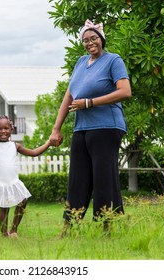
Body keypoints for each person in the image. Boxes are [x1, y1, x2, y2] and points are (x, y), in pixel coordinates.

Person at [49, 19, 132, 236]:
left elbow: (125, 91)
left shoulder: (113, 60)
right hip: (81, 128)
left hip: (107, 126)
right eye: (85, 40)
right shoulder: (80, 63)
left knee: (104, 178)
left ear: (101, 39)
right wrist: (56, 128)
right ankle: (67, 229)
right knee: (77, 179)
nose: (89, 43)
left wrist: (90, 102)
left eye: (93, 38)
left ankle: (107, 228)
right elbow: (69, 96)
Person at [0, 115, 51, 238]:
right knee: (4, 208)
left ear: (11, 129)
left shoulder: (15, 146)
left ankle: (13, 230)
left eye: (6, 128)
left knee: (23, 201)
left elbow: (34, 153)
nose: (3, 131)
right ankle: (4, 234)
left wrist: (48, 143)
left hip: (14, 182)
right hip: (1, 183)